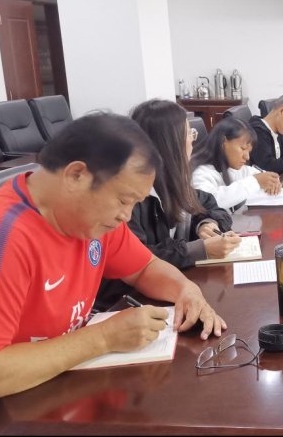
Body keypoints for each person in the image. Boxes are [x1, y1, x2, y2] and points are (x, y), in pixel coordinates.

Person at [0, 113, 225, 398]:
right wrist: (103, 338)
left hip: (72, 386)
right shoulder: (4, 236)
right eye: (123, 200)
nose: (126, 216)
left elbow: (144, 267)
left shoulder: (93, 220)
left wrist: (186, 290)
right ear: (76, 175)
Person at [96, 100, 240, 310]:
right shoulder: (131, 200)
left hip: (170, 290)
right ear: (171, 144)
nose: (193, 141)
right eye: (189, 134)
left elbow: (209, 205)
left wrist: (206, 224)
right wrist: (197, 250)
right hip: (129, 303)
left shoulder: (177, 184)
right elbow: (138, 258)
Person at [191, 117, 283, 211]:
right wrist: (255, 181)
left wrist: (271, 181)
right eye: (243, 148)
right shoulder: (199, 173)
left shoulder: (231, 167)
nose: (247, 157)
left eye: (249, 151)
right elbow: (209, 202)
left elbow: (253, 173)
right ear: (223, 142)